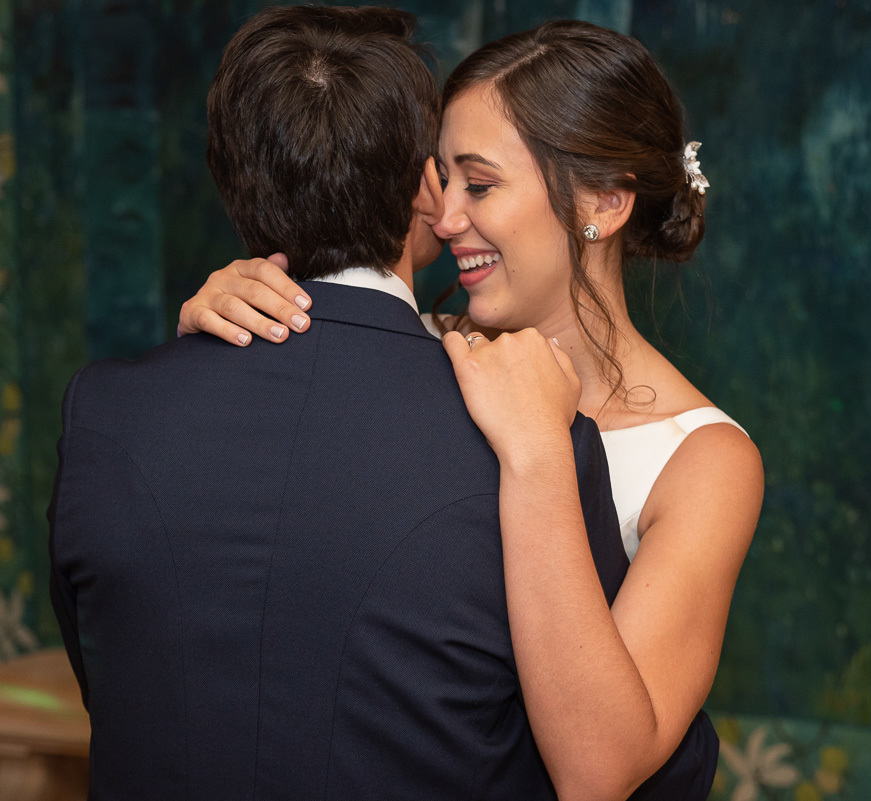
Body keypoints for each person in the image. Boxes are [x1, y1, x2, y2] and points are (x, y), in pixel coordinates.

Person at [47, 8, 634, 799]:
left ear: (232, 183)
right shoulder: (530, 439)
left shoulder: (104, 414)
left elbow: (118, 679)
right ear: (420, 188)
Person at [180, 19, 762, 801]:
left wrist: (540, 452)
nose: (445, 217)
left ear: (605, 200)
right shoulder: (394, 348)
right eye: (441, 179)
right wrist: (218, 332)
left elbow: (599, 770)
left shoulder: (704, 462)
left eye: (480, 185)